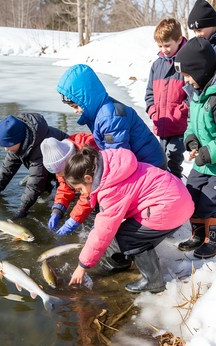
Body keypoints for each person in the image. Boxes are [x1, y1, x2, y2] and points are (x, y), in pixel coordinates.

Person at [63, 146, 194, 293]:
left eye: (80, 189)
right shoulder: (111, 165)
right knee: (124, 233)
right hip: (178, 200)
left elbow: (103, 231)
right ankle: (127, 258)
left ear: (88, 178)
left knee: (128, 237)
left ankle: (154, 281)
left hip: (169, 209)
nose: (81, 193)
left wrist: (82, 266)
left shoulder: (110, 189)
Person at [56, 64, 167, 170]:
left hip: (150, 165)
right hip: (140, 162)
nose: (76, 111)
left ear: (87, 99)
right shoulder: (98, 111)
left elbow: (119, 157)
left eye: (76, 106)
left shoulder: (109, 118)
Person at [174, 37, 216, 258]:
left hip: (214, 164)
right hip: (202, 162)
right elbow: (192, 123)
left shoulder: (214, 97)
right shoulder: (197, 94)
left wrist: (208, 152)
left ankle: (213, 240)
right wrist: (192, 140)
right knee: (191, 194)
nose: (187, 81)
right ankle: (198, 234)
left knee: (212, 201)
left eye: (188, 76)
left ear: (201, 70)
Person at [0, 113, 67, 219]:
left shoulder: (40, 147)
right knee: (35, 186)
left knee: (64, 196)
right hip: (46, 169)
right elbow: (8, 167)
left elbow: (36, 180)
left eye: (8, 145)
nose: (6, 149)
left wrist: (23, 208)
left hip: (66, 169)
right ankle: (47, 189)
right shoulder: (19, 141)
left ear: (18, 140)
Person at [145, 18, 188, 179]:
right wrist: (153, 111)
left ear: (178, 40)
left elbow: (192, 93)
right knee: (159, 160)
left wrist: (180, 113)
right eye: (160, 46)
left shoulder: (186, 62)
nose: (164, 49)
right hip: (161, 123)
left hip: (179, 125)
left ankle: (177, 190)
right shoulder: (157, 65)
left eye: (167, 45)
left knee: (173, 159)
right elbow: (149, 93)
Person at [40, 133, 98, 235]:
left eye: (61, 172)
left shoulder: (90, 158)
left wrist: (74, 220)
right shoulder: (63, 161)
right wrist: (58, 208)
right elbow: (64, 186)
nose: (58, 175)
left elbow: (89, 193)